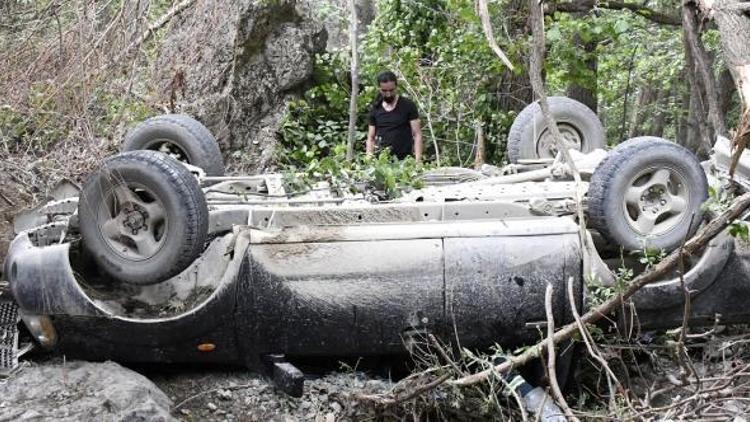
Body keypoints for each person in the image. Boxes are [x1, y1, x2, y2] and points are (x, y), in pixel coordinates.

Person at [366, 71, 423, 162]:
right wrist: (368, 159)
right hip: (382, 161)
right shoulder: (375, 108)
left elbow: (417, 134)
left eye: (391, 90)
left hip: (405, 161)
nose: (388, 94)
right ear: (379, 89)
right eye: (384, 91)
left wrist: (418, 161)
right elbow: (371, 138)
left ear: (396, 87)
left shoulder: (408, 105)